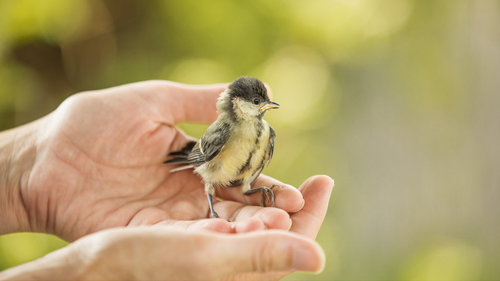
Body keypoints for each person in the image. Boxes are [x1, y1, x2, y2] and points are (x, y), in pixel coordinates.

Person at [0, 80, 334, 280]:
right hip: (209, 176)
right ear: (239, 104)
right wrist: (214, 211)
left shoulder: (265, 134)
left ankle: (248, 192)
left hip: (243, 179)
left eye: (263, 102)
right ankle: (214, 210)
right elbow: (202, 158)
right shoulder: (223, 131)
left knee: (260, 191)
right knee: (213, 190)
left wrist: (258, 187)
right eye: (257, 103)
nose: (265, 107)